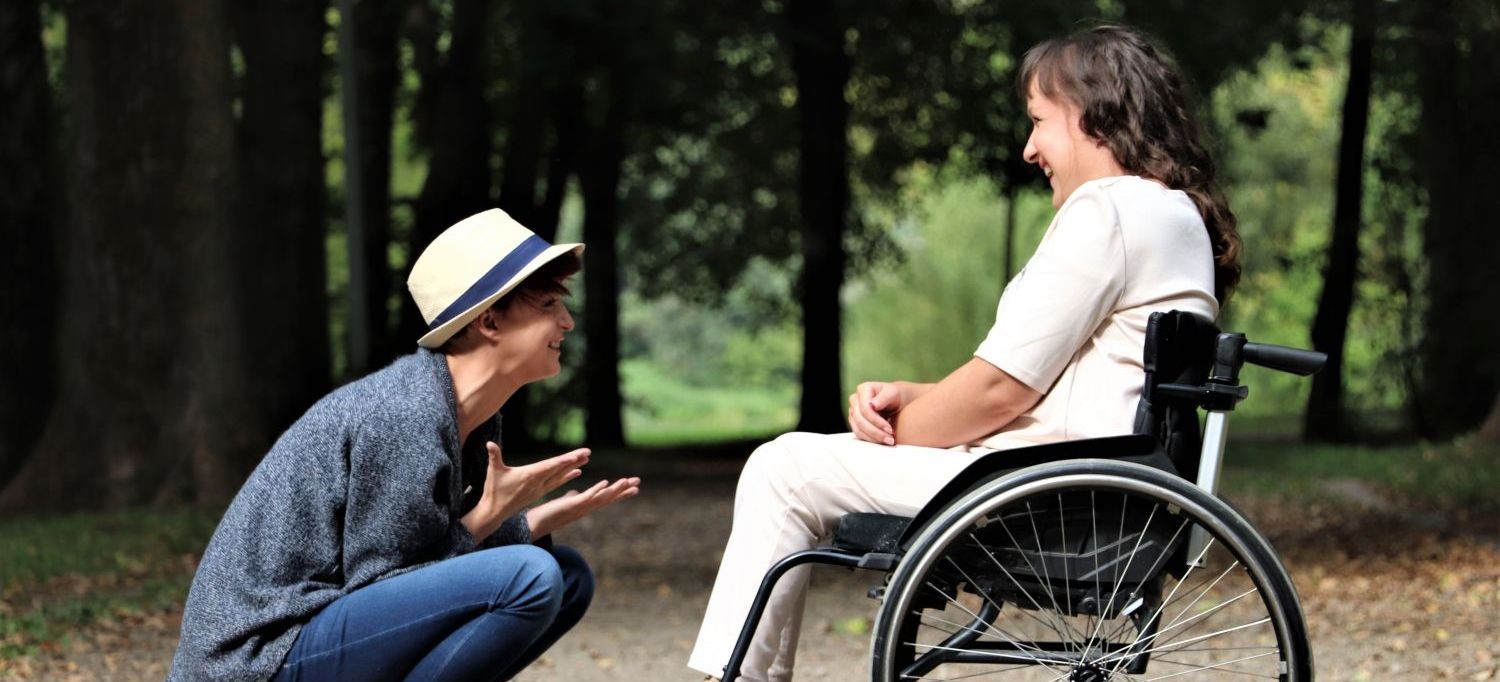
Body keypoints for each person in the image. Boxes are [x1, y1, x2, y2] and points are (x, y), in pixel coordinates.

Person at [688, 24, 1241, 681]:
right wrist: (916, 397)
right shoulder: (1175, 215)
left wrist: (897, 432)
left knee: (783, 468)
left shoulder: (1107, 212)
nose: (1030, 148)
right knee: (797, 465)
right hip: (1100, 480)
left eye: (1039, 121)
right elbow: (1046, 382)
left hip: (1044, 491)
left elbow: (999, 393)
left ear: (1096, 114)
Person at [170, 209, 641, 681]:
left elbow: (419, 570)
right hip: (258, 658)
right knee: (530, 577)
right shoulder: (405, 412)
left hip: (316, 634)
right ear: (490, 321)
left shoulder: (468, 415)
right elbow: (385, 585)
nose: (567, 322)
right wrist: (490, 518)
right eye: (547, 305)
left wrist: (525, 522)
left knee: (567, 575)